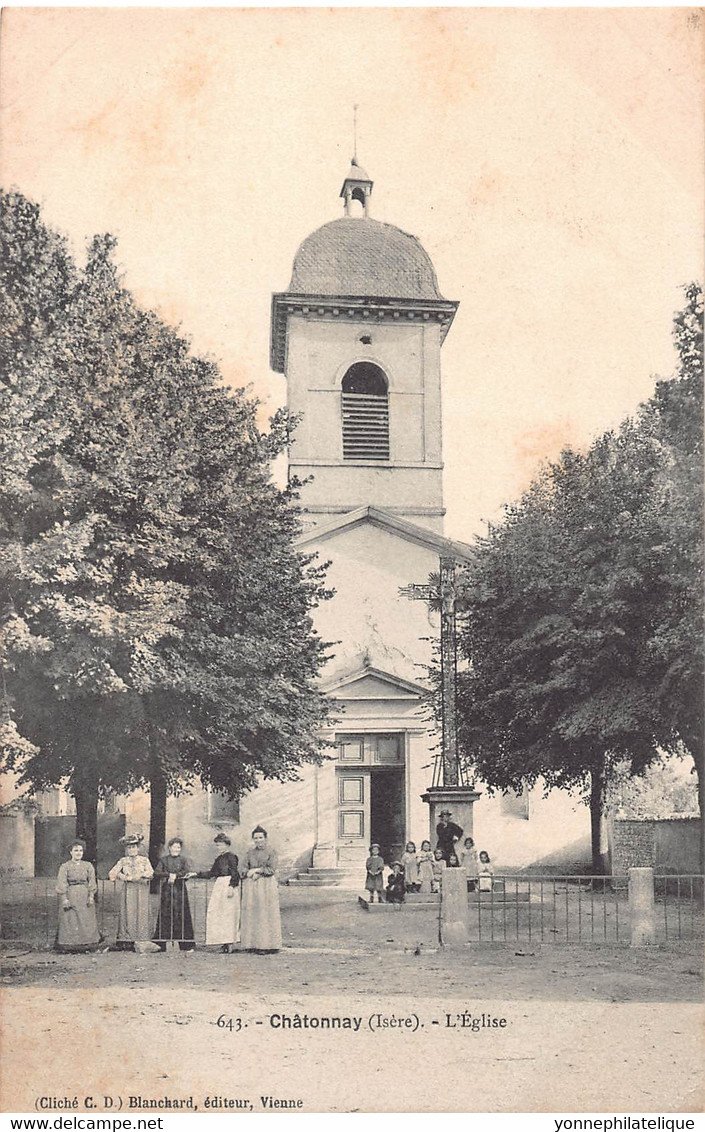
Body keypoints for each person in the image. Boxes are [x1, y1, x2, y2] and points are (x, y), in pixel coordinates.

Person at [239, 826, 282, 952]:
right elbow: (242, 868)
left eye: (260, 837)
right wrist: (249, 873)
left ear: (265, 838)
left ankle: (268, 945)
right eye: (256, 838)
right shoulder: (249, 853)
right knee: (253, 913)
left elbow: (271, 869)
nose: (258, 840)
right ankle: (253, 944)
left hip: (266, 885)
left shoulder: (271, 852)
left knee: (266, 913)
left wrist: (258, 870)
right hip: (251, 885)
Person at [108, 833, 154, 951]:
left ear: (138, 848)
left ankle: (143, 938)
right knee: (129, 912)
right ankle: (127, 940)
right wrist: (124, 876)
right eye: (129, 848)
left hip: (142, 889)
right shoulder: (123, 861)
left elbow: (151, 873)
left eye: (134, 847)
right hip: (129, 890)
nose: (132, 850)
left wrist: (141, 875)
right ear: (126, 849)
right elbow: (112, 873)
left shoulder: (144, 860)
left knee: (142, 912)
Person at [55, 840, 103, 953]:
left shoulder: (88, 865)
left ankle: (88, 944)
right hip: (70, 895)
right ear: (71, 852)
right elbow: (61, 883)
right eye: (76, 850)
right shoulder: (65, 866)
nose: (78, 853)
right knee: (70, 919)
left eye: (81, 851)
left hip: (84, 895)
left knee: (86, 919)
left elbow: (92, 881)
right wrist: (64, 899)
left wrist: (91, 896)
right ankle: (70, 946)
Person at [153, 837, 197, 951]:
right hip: (167, 891)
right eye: (174, 847)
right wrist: (169, 875)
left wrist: (176, 876)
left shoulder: (183, 860)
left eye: (178, 847)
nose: (176, 849)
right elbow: (157, 872)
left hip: (180, 890)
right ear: (169, 847)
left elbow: (186, 871)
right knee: (165, 914)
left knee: (181, 914)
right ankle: (161, 944)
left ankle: (185, 944)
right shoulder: (163, 860)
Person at [200, 833, 240, 953]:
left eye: (221, 844)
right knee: (218, 913)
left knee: (228, 914)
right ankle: (224, 942)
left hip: (228, 885)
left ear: (227, 845)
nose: (219, 847)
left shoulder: (232, 857)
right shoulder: (219, 859)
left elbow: (235, 873)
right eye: (217, 845)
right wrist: (196, 874)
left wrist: (232, 886)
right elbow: (212, 873)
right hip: (219, 885)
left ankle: (229, 944)